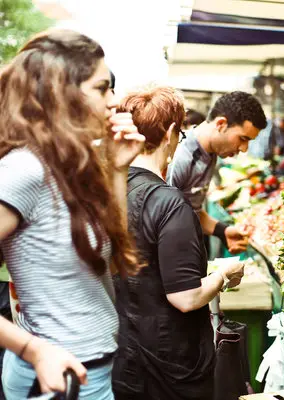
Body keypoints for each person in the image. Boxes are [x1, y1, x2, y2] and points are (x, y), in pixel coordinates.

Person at [0, 29, 145, 398]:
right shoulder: (24, 171)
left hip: (89, 373)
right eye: (102, 88)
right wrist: (30, 348)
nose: (114, 102)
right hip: (55, 380)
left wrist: (117, 168)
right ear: (61, 93)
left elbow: (112, 263)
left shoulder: (71, 167)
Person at [112, 86, 245, 400]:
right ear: (171, 131)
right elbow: (186, 298)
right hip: (168, 364)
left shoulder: (110, 191)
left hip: (124, 353)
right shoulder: (169, 203)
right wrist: (222, 276)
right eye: (181, 132)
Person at [167, 91, 267, 255]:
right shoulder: (181, 157)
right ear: (221, 124)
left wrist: (222, 231)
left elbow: (190, 211)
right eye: (243, 139)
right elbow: (162, 220)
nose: (244, 149)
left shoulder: (210, 154)